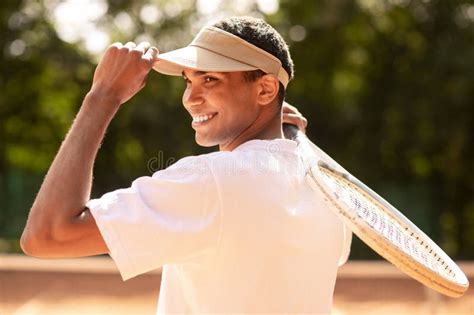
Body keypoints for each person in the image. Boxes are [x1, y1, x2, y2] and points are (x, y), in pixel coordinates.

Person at [21, 16, 351, 313]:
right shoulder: (327, 187)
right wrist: (284, 130)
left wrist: (102, 97)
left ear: (266, 88)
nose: (190, 98)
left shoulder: (213, 180)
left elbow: (47, 235)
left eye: (209, 79)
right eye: (188, 81)